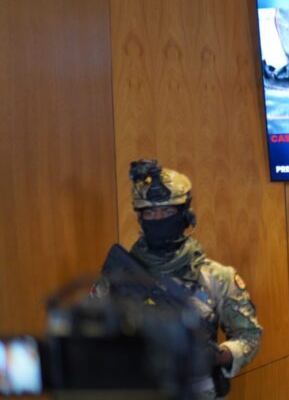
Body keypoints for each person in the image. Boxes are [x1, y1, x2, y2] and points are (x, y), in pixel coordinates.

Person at [94, 159, 262, 399]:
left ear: (184, 215)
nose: (158, 218)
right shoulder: (119, 277)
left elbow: (250, 335)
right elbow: (90, 336)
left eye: (167, 211)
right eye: (150, 212)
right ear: (140, 218)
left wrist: (216, 356)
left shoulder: (217, 277)